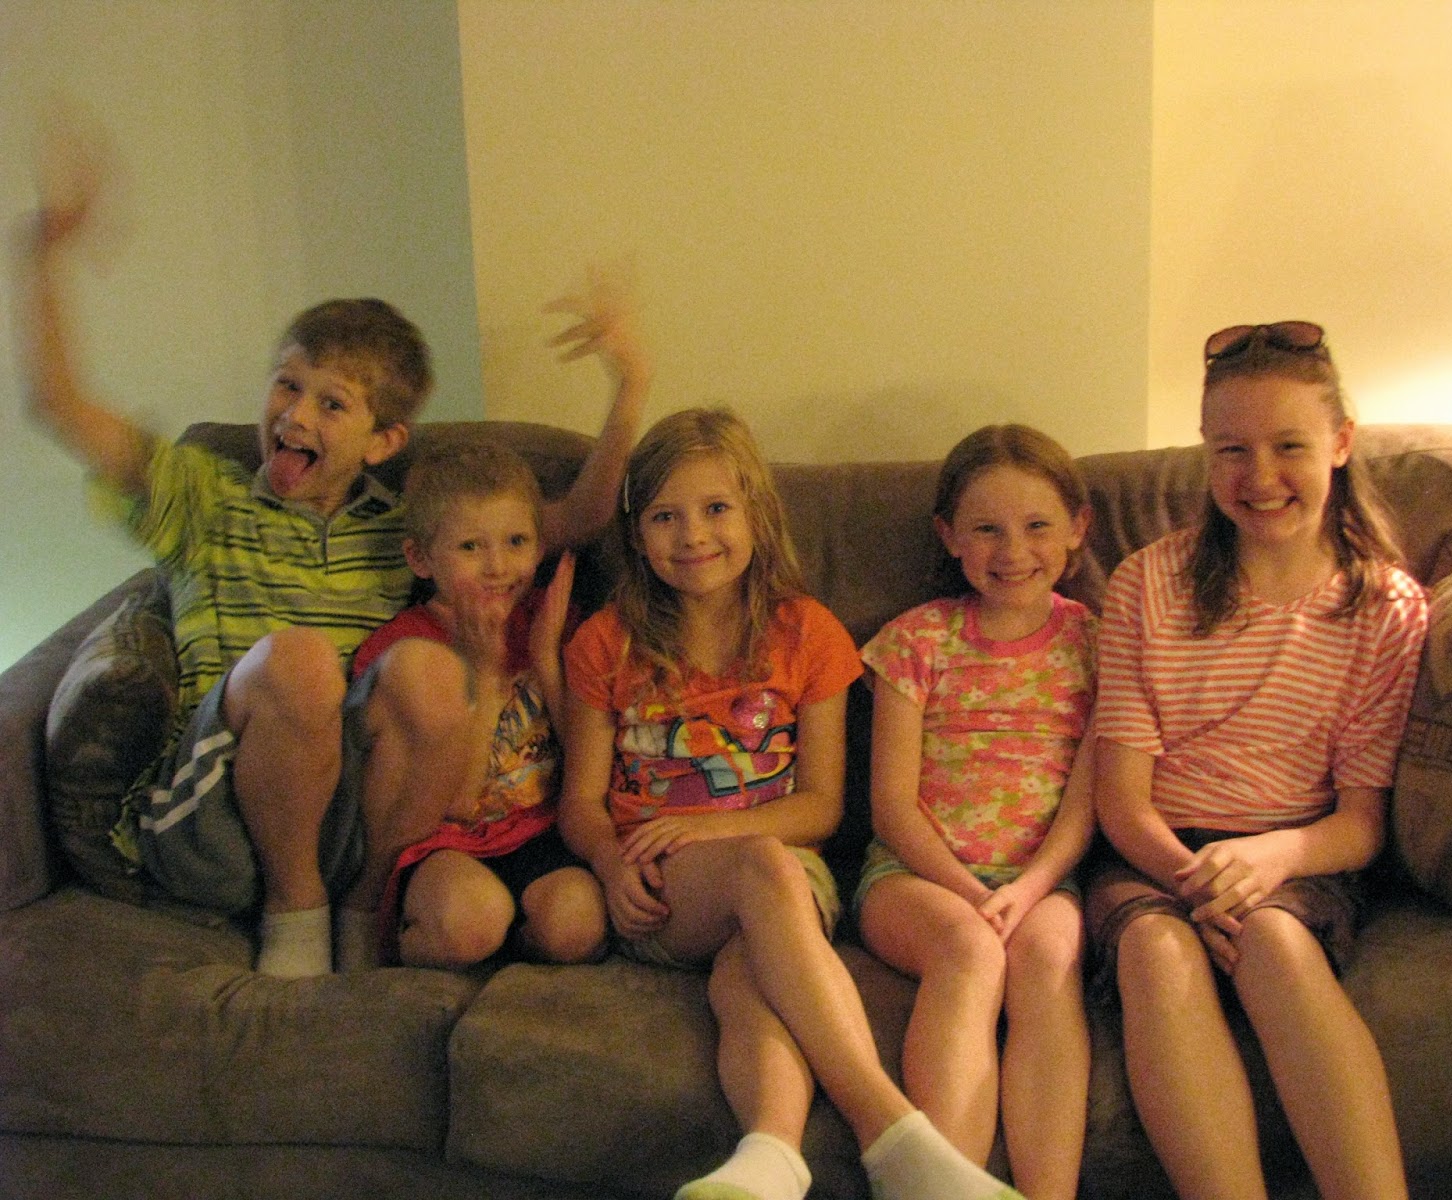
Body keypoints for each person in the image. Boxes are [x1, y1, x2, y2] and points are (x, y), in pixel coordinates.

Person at [12, 140, 651, 977]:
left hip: (350, 817)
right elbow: (58, 405)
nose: (295, 415)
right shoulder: (202, 495)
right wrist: (39, 254)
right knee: (302, 662)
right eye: (287, 385)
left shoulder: (404, 531)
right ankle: (296, 912)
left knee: (429, 671)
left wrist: (630, 384)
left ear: (384, 441)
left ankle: (361, 904)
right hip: (214, 821)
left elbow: (576, 519)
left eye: (331, 403)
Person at [559, 407, 1024, 1200]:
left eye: (715, 508)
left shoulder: (807, 633)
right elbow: (579, 801)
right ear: (636, 533)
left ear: (757, 515)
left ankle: (768, 1158)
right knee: (759, 872)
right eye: (665, 516)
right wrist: (608, 862)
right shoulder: (607, 641)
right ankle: (894, 1136)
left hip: (785, 882)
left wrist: (714, 826)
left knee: (748, 971)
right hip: (664, 889)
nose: (693, 535)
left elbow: (819, 807)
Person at [1088, 321, 1427, 1200]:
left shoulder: (1385, 606)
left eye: (1289, 446)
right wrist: (1197, 881)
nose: (1260, 476)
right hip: (1155, 850)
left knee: (1275, 941)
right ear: (1206, 453)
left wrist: (1267, 862)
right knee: (1155, 953)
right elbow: (1120, 800)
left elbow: (1360, 824)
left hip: (1296, 853)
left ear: (1341, 443)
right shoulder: (1145, 584)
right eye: (1232, 451)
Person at [855, 424, 1096, 1200]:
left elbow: (1088, 801)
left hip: (1042, 880)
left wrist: (1028, 890)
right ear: (949, 536)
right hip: (915, 879)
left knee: (1049, 958)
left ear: (1077, 529)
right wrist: (969, 894)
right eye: (987, 529)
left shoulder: (1097, 644)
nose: (1012, 550)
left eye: (1037, 525)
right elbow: (891, 807)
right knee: (969, 949)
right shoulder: (916, 640)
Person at [350, 440, 607, 969]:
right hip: (445, 841)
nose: (498, 566)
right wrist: (486, 678)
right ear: (421, 559)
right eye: (470, 547)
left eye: (516, 542)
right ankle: (400, 944)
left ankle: (513, 944)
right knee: (471, 923)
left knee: (578, 926)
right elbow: (459, 802)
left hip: (539, 830)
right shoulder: (402, 651)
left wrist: (545, 657)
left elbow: (586, 760)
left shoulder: (551, 621)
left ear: (540, 547)